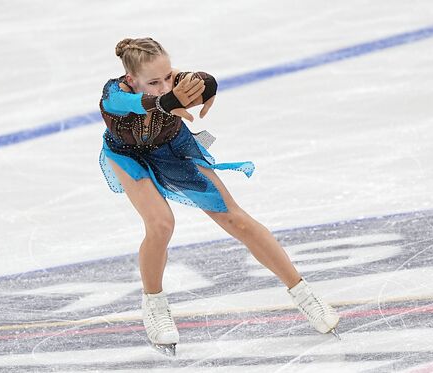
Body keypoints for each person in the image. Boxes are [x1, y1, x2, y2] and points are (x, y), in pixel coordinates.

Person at [98, 37, 340, 356]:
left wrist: (208, 86)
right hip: (128, 157)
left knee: (235, 219)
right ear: (132, 79)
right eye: (153, 82)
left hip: (174, 150)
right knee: (160, 225)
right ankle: (154, 305)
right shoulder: (115, 94)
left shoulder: (177, 82)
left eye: (168, 77)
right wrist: (164, 101)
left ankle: (304, 294)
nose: (164, 85)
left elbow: (202, 79)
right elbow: (133, 105)